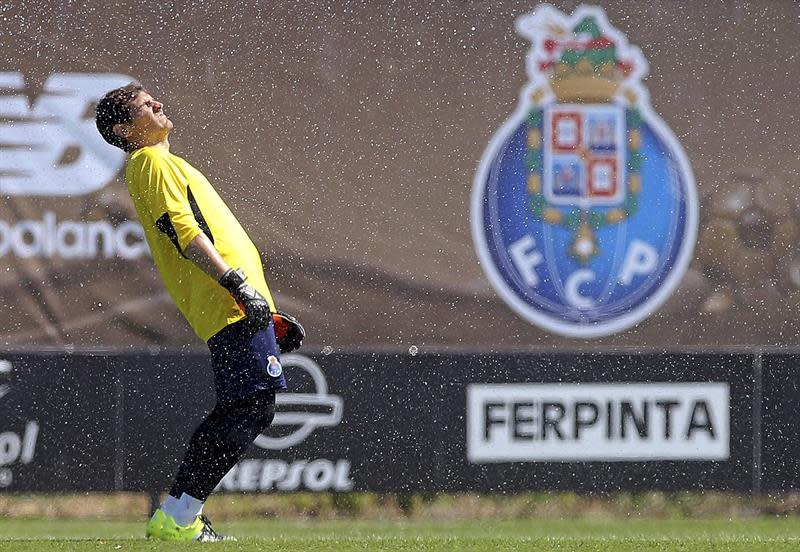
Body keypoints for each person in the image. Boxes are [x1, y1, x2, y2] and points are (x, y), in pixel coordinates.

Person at [95, 83, 301, 542]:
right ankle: (178, 517)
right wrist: (237, 285)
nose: (158, 104)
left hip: (236, 303)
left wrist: (265, 306)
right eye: (145, 105)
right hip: (225, 302)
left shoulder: (169, 163)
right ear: (123, 128)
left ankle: (179, 515)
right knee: (250, 406)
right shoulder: (149, 161)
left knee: (247, 406)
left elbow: (212, 234)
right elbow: (182, 231)